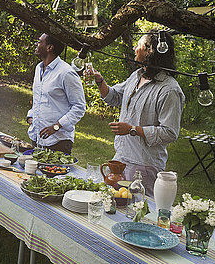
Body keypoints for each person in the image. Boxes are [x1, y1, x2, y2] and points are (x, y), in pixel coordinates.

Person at [93, 32, 185, 195]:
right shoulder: (136, 76)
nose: (135, 48)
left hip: (144, 165)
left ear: (150, 51)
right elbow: (114, 97)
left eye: (139, 45)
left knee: (137, 212)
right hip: (121, 158)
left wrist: (132, 129)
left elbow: (170, 132)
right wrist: (100, 81)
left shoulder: (169, 90)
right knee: (112, 206)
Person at [26, 33, 86, 154]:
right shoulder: (38, 68)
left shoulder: (66, 73)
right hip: (37, 137)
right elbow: (39, 97)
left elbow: (79, 107)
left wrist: (56, 126)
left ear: (49, 48)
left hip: (58, 142)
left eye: (39, 42)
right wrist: (30, 116)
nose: (36, 45)